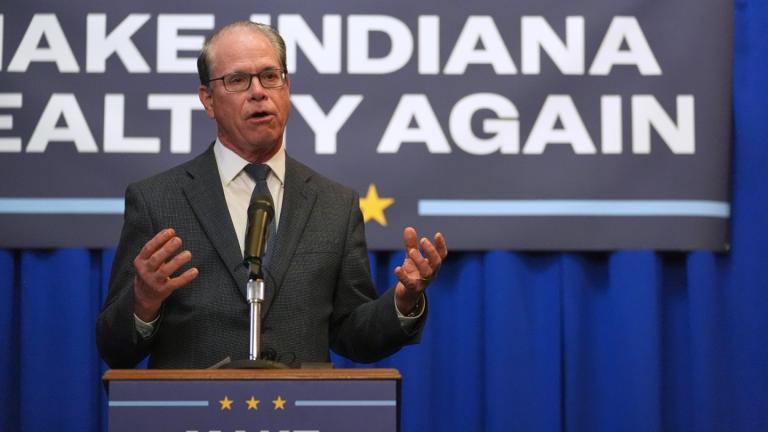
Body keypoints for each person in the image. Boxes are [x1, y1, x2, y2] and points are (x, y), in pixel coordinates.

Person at [95, 21, 448, 369]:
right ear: (208, 100)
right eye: (237, 80)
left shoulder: (334, 204)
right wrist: (143, 303)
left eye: (270, 76)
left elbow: (352, 335)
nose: (258, 91)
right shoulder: (158, 200)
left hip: (301, 419)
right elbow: (114, 348)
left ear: (287, 87)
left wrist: (404, 301)